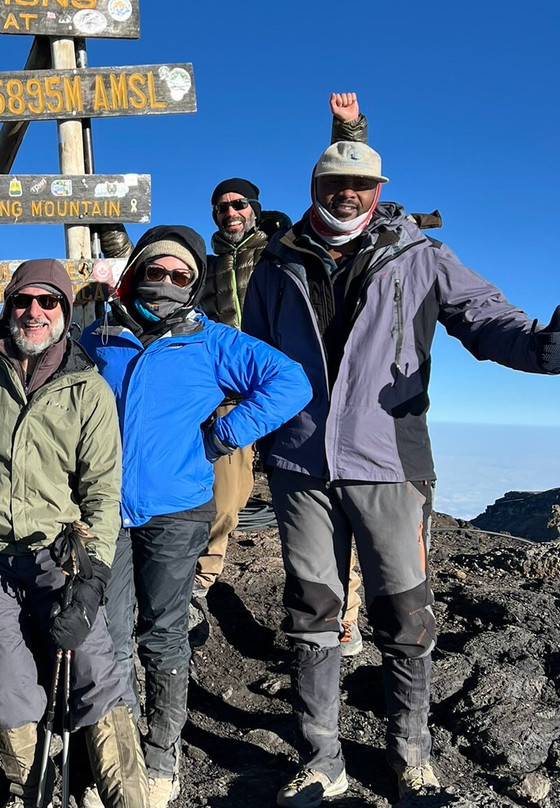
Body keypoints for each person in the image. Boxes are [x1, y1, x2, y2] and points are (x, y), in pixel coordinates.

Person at [242, 140, 560, 806]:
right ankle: (321, 760)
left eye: (362, 184)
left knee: (405, 612)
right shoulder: (276, 263)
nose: (348, 193)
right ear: (315, 186)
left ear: (379, 190)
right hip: (300, 464)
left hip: (389, 459)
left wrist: (543, 347)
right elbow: (254, 358)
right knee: (312, 612)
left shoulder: (421, 256)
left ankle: (411, 757)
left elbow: (486, 319)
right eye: (336, 182)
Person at [78, 226, 311, 808]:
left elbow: (291, 381)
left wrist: (224, 435)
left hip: (176, 511)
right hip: (103, 511)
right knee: (110, 638)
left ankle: (162, 754)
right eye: (155, 271)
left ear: (194, 285)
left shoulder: (211, 340)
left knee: (162, 634)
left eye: (180, 275)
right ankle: (121, 761)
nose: (166, 282)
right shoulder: (98, 337)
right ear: (136, 274)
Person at [0, 259, 148, 808]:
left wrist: (92, 579)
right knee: (0, 671)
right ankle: (31, 789)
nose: (34, 312)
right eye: (22, 301)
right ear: (8, 308)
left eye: (47, 301)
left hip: (58, 550)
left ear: (65, 311)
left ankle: (128, 796)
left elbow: (102, 491)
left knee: (95, 662)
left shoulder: (88, 388)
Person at [192, 93, 369, 656]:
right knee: (224, 496)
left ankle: (345, 614)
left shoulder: (281, 249)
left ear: (255, 208)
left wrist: (348, 130)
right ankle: (200, 583)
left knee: (326, 503)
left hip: (293, 388)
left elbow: (343, 195)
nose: (230, 212)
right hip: (229, 391)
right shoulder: (203, 267)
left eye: (239, 204)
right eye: (222, 206)